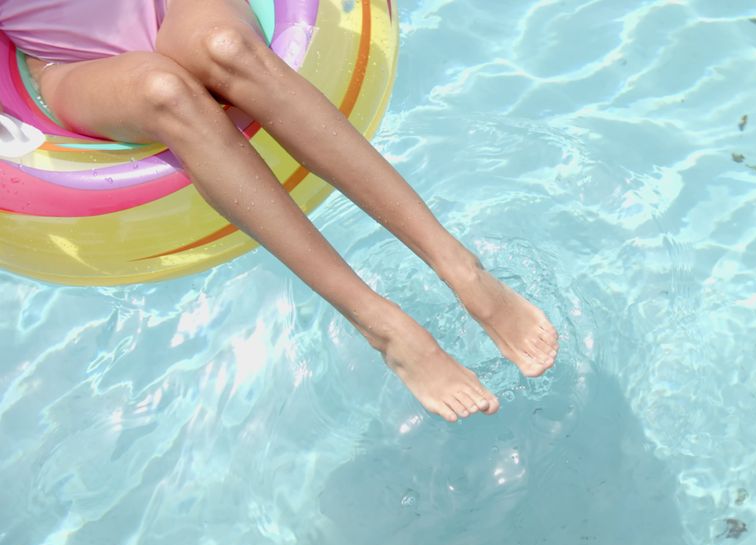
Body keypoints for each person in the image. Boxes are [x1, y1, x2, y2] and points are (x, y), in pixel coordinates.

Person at [0, 0, 559, 422]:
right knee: (165, 90)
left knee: (226, 48)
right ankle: (382, 325)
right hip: (72, 64)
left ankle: (462, 268)